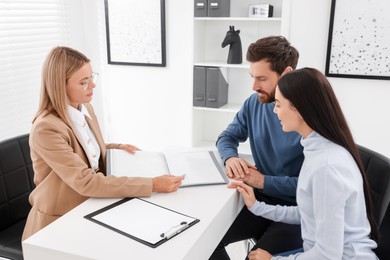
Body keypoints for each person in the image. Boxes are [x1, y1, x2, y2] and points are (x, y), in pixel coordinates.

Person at [22, 46, 184, 240]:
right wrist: (152, 184)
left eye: (92, 77)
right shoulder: (46, 128)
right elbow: (86, 181)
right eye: (84, 82)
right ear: (59, 86)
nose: (92, 86)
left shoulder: (85, 108)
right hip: (60, 221)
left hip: (92, 206)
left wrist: (114, 147)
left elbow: (83, 150)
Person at [230, 67, 378, 259]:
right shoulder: (317, 149)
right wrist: (257, 206)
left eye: (278, 104)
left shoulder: (326, 166)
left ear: (299, 109)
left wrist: (274, 259)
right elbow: (310, 214)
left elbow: (327, 255)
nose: (274, 111)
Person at [210, 36, 304, 259]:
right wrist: (230, 158)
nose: (254, 86)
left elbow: (314, 188)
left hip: (300, 213)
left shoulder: (309, 118)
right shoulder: (254, 103)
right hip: (260, 201)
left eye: (262, 78)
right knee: (207, 242)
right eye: (252, 77)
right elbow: (227, 137)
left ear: (287, 74)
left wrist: (263, 181)